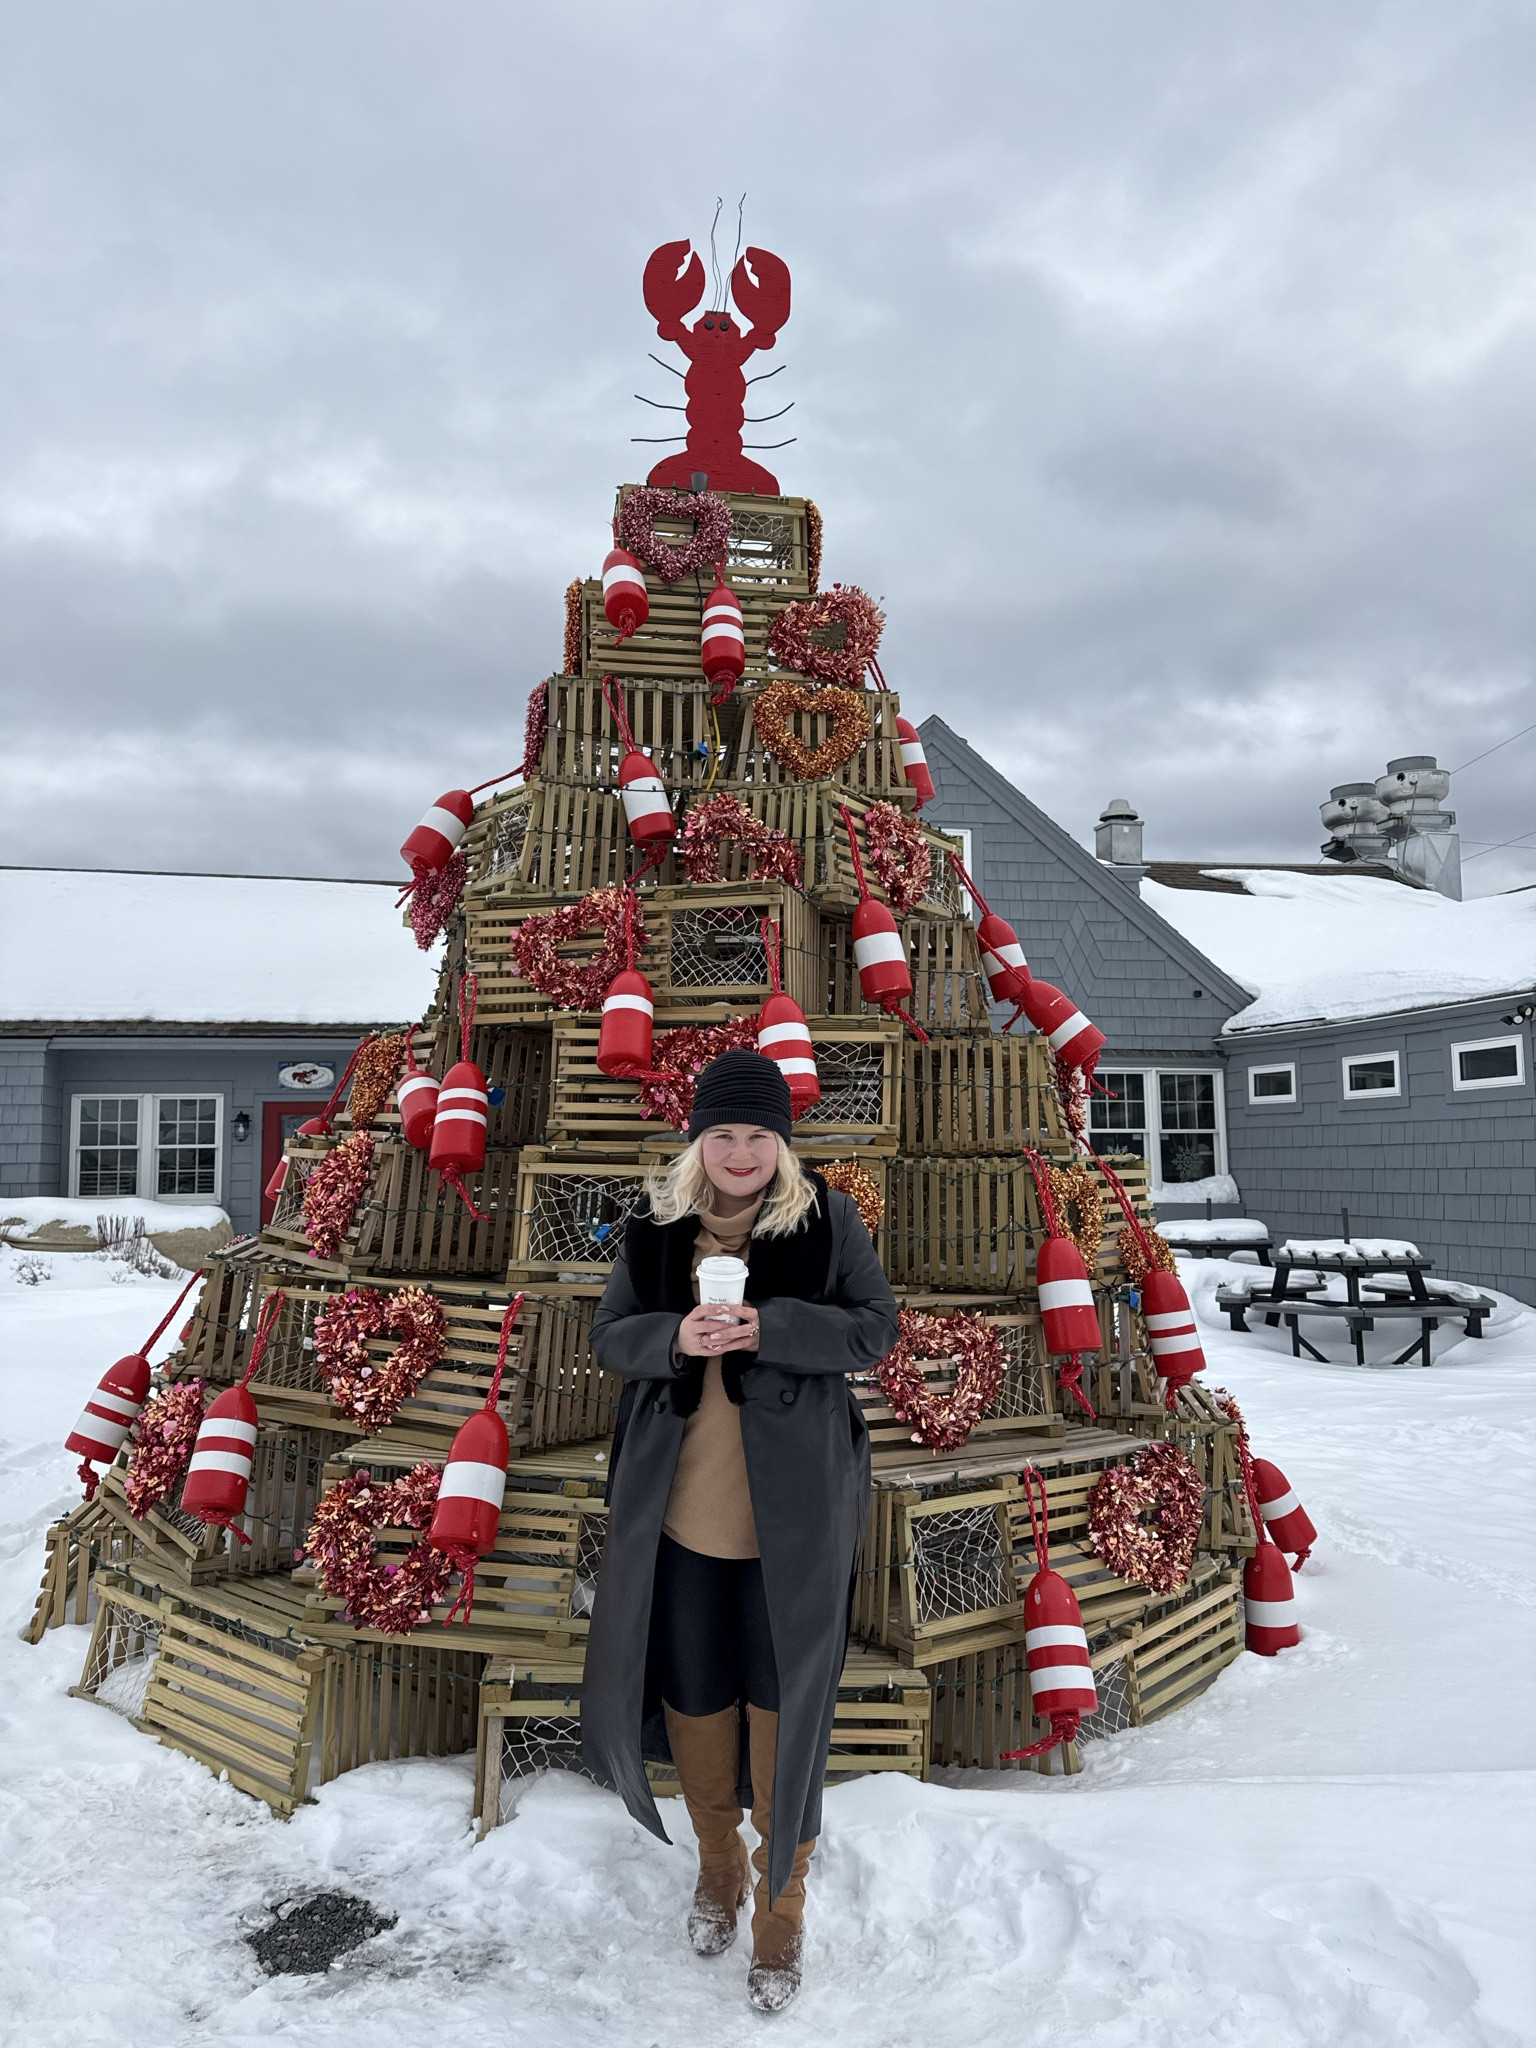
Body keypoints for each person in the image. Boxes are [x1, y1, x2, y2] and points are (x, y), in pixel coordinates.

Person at [581, 1048, 898, 2013]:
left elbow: (874, 1328)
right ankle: (718, 1865)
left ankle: (780, 1908)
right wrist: (674, 1338)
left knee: (784, 1699)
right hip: (679, 1512)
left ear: (781, 1142)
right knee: (697, 1690)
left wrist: (775, 1328)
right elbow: (609, 1338)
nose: (742, 1151)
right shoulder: (654, 1224)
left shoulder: (827, 1217)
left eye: (759, 1134)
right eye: (724, 1133)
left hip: (793, 1515)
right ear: (699, 1139)